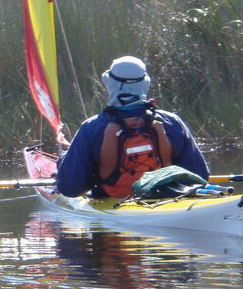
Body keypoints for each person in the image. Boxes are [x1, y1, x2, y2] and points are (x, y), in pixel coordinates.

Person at [54, 55, 208, 198]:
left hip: (115, 203)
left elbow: (70, 189)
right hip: (166, 199)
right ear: (145, 84)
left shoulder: (91, 127)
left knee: (65, 162)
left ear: (109, 83)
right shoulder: (171, 122)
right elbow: (199, 176)